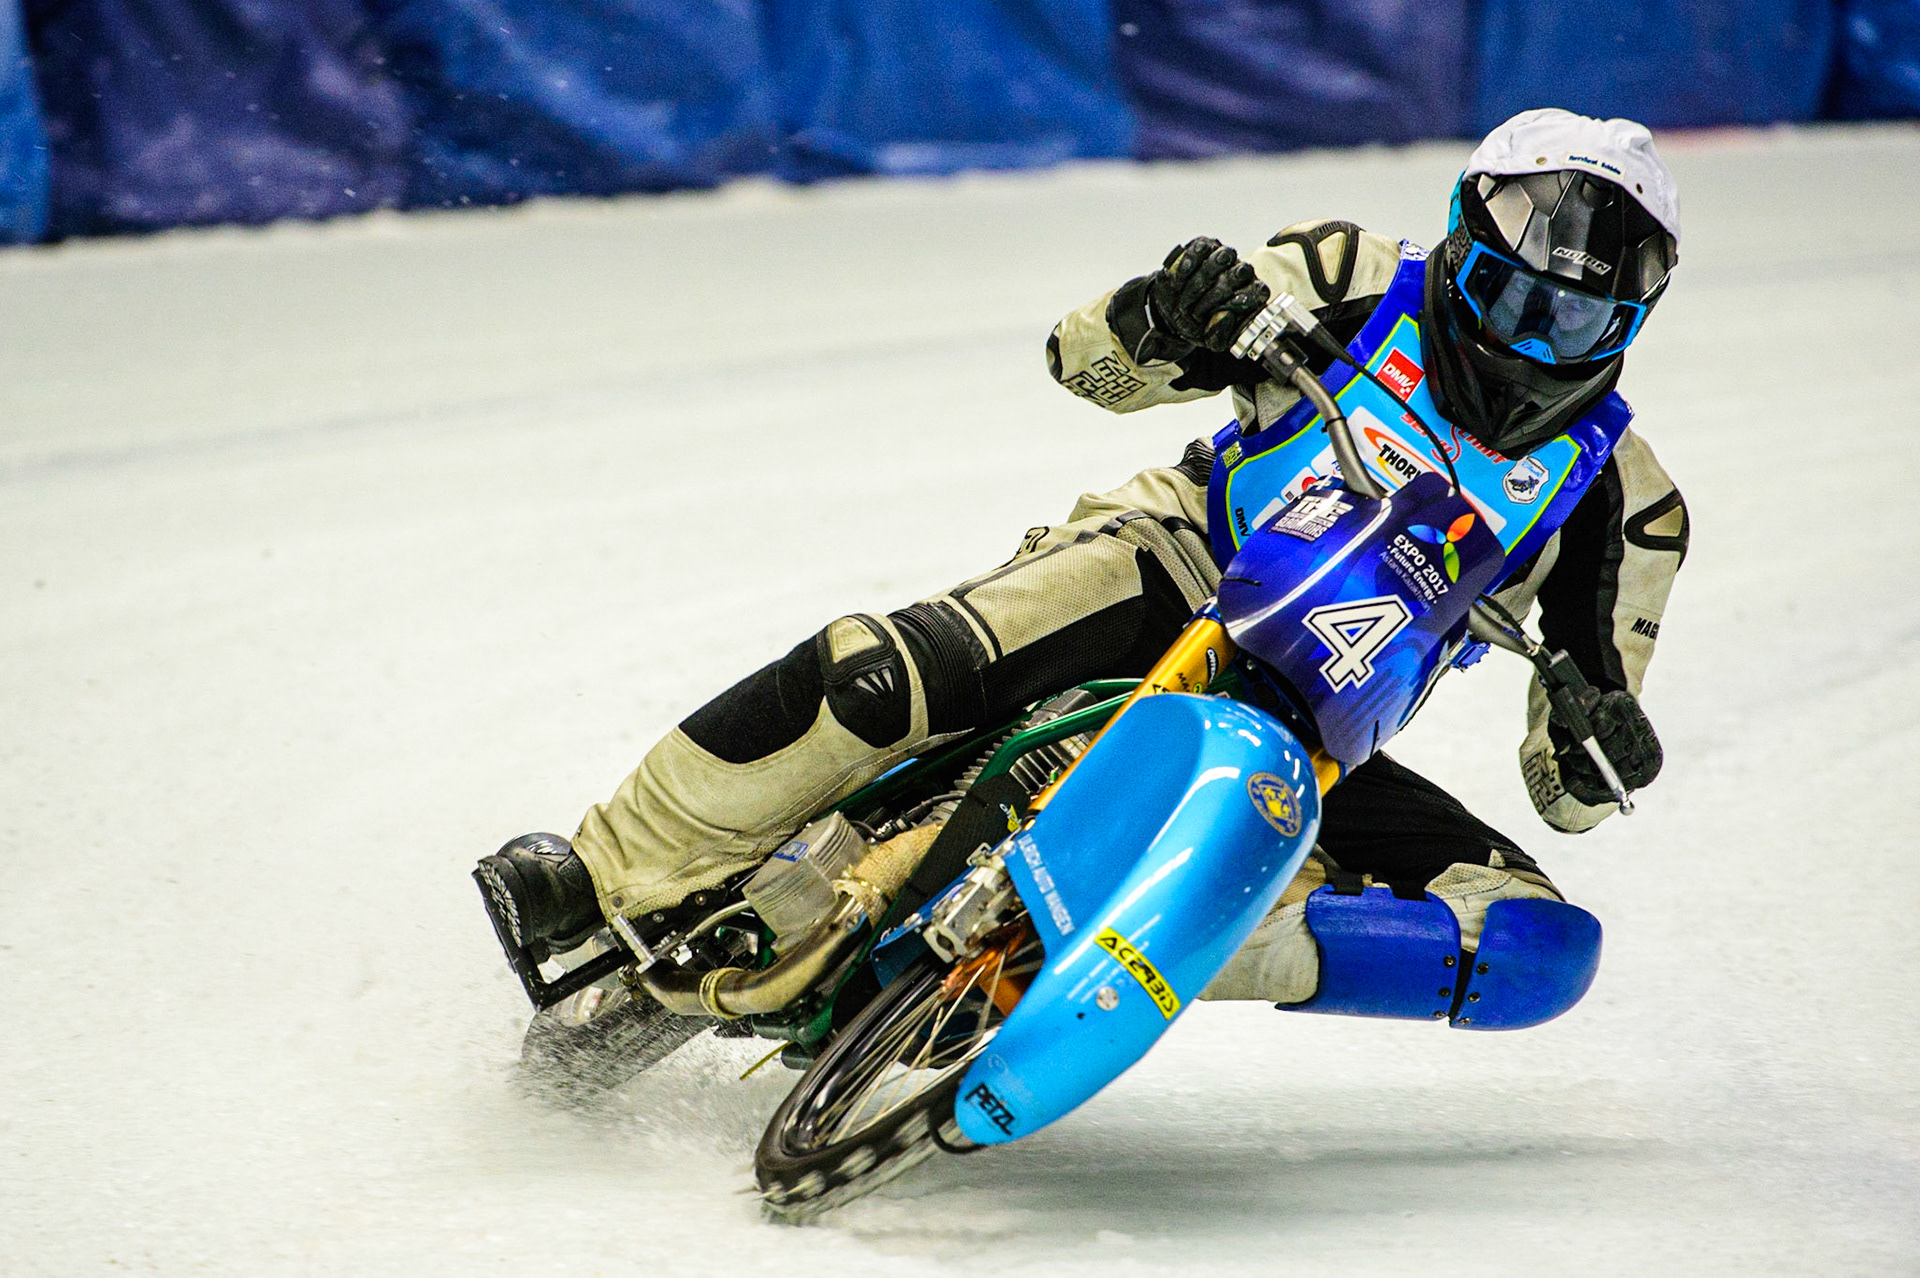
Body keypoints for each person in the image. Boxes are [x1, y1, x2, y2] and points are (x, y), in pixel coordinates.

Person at [477, 108, 1689, 1013]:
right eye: (1504, 294)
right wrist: (1168, 312)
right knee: (882, 673)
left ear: (1630, 322)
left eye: (1571, 320)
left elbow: (1565, 794)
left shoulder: (1629, 508)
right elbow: (1084, 364)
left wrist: (1599, 742)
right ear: (1458, 249)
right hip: (1177, 557)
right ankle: (597, 868)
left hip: (1324, 727)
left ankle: (1159, 943)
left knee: (1535, 944)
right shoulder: (1351, 276)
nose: (1527, 339)